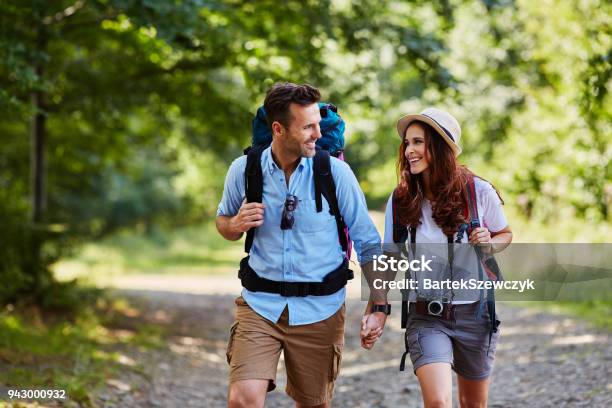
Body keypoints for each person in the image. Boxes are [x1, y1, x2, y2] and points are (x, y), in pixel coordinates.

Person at [216, 82, 386, 408]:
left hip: (320, 311)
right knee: (242, 400)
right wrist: (235, 225)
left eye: (318, 125)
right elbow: (222, 222)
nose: (317, 134)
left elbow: (368, 242)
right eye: (307, 126)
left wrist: (378, 305)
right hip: (259, 307)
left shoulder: (335, 173)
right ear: (278, 129)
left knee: (313, 404)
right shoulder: (244, 170)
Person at [361, 108, 513, 408]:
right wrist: (377, 309)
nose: (409, 151)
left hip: (475, 314)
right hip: (426, 315)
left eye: (418, 142)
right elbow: (390, 257)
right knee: (439, 402)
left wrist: (489, 243)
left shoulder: (478, 191)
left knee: (473, 404)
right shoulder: (402, 197)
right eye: (407, 143)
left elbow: (505, 234)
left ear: (440, 147)